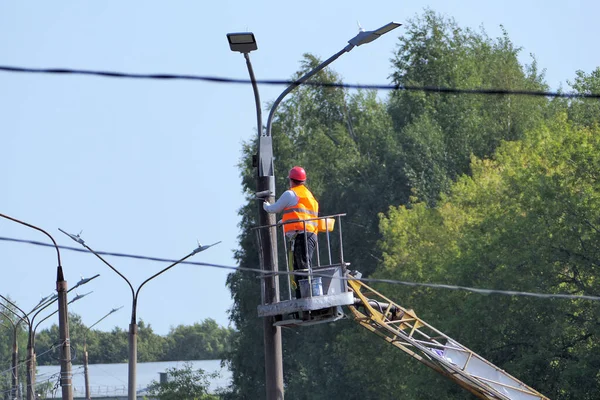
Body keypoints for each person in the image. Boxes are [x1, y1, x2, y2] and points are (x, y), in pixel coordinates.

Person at [263, 166, 319, 298]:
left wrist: (265, 205)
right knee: (302, 266)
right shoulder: (308, 195)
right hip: (311, 235)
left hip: (301, 235)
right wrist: (283, 221)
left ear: (291, 180)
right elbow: (300, 214)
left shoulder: (291, 194)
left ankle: (306, 295)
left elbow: (274, 208)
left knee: (301, 266)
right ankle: (303, 294)